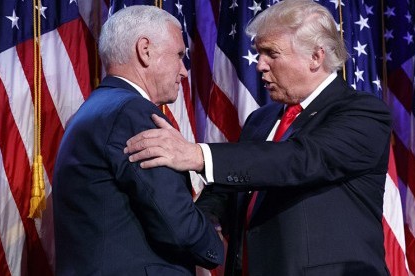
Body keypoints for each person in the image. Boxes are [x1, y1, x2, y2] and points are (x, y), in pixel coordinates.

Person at [124, 0, 391, 275]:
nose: (260, 65)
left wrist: (197, 155)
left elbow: (299, 159)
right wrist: (195, 222)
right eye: (258, 53)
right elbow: (233, 186)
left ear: (315, 56)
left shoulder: (363, 113)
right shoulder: (261, 120)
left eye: (271, 53)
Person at [52, 5, 223, 276]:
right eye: (179, 55)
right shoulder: (131, 113)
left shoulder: (93, 111)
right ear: (145, 50)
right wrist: (214, 245)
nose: (184, 71)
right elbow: (174, 223)